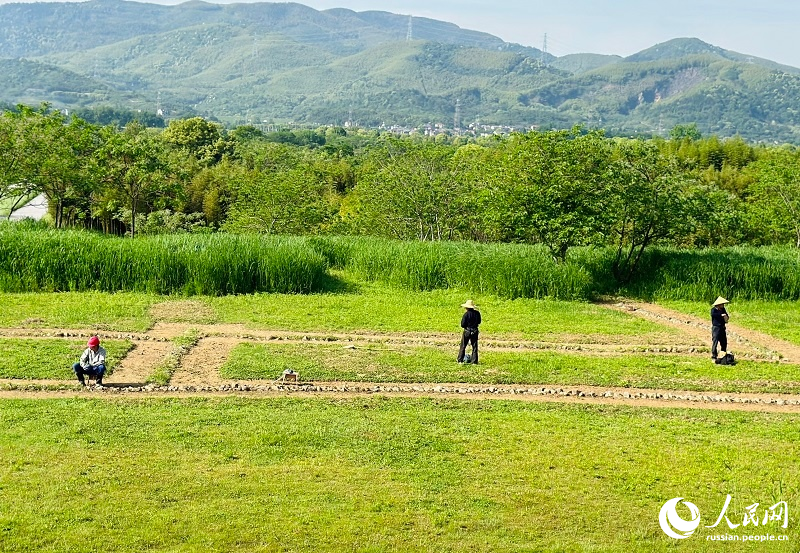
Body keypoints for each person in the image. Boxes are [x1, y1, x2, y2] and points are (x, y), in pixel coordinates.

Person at [457, 299, 481, 364]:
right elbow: (479, 322)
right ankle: (474, 361)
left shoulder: (466, 314)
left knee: (463, 345)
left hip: (467, 331)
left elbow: (462, 324)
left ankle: (460, 360)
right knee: (474, 346)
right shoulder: (477, 313)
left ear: (466, 307)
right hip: (475, 331)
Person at [710, 296, 730, 362]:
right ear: (718, 304)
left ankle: (723, 355)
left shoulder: (723, 309)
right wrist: (721, 315)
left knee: (724, 342)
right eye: (722, 304)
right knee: (715, 342)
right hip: (716, 328)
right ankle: (714, 356)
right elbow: (714, 315)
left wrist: (725, 317)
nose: (723, 305)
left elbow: (726, 316)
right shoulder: (713, 310)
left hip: (722, 327)